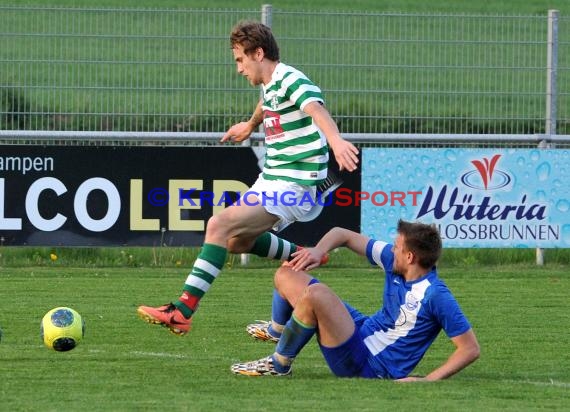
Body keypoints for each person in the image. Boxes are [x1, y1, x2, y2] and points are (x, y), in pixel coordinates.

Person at [137, 21, 359, 335]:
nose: (239, 68)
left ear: (259, 53)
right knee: (236, 241)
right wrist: (250, 125)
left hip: (295, 184)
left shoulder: (290, 77)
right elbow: (266, 103)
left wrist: (335, 141)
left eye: (241, 59)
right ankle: (302, 254)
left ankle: (182, 311)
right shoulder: (272, 84)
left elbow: (315, 109)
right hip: (273, 179)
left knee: (218, 225)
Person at [231, 220, 480, 380]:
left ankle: (279, 364)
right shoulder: (395, 262)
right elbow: (342, 233)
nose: (391, 249)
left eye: (396, 247)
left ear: (411, 257)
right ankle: (278, 330)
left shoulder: (435, 294)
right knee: (290, 270)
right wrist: (319, 251)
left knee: (316, 296)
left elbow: (469, 349)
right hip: (362, 330)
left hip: (369, 365)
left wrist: (427, 381)